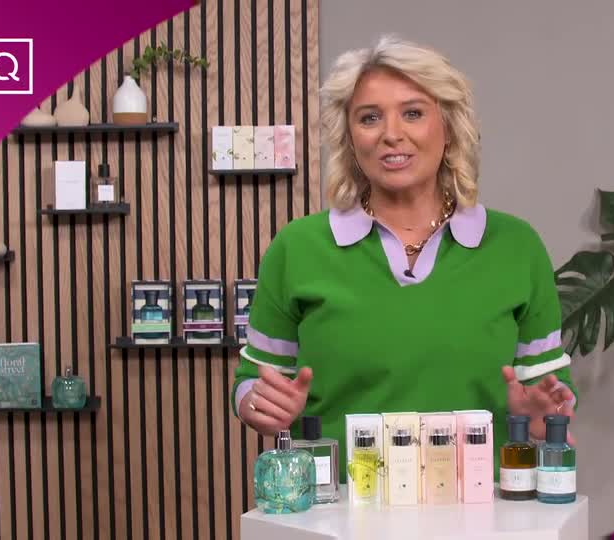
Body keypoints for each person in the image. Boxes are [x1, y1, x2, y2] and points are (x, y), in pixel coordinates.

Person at [233, 35, 576, 483]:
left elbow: (550, 393)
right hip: (338, 511)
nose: (391, 133)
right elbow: (251, 380)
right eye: (370, 117)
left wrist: (539, 415)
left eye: (413, 113)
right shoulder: (298, 247)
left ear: (448, 126)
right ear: (349, 137)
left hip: (480, 507)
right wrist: (259, 404)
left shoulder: (516, 246)